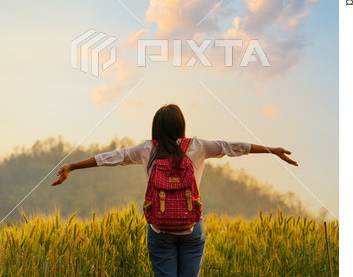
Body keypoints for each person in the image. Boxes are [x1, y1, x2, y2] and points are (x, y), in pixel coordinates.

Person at [52, 103, 298, 276]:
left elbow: (113, 157)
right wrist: (271, 150)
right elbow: (232, 147)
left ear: (156, 127)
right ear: (182, 125)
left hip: (158, 228)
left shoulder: (147, 149)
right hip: (192, 227)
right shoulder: (198, 146)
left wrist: (73, 166)